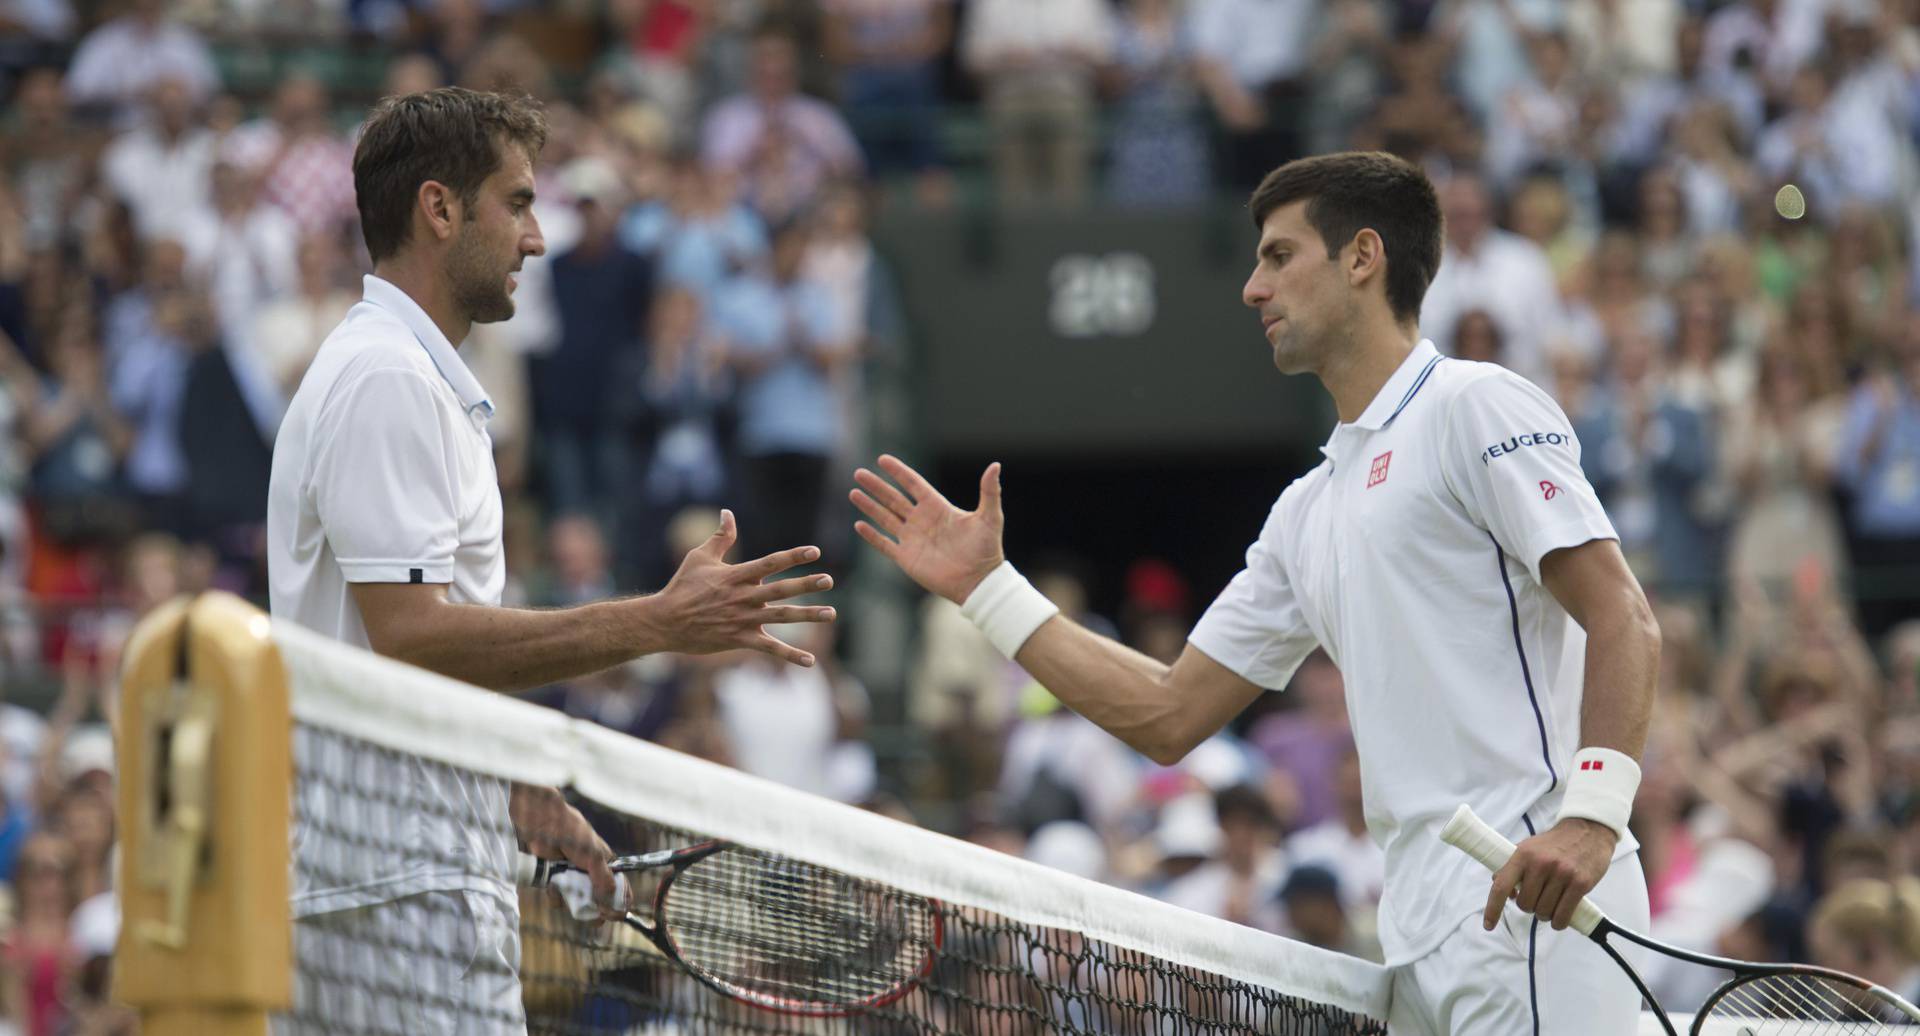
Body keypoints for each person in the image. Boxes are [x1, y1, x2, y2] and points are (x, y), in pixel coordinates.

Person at [850, 150, 1661, 1034]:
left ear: (1361, 258)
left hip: (1536, 905)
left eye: (1279, 256)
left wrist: (1591, 819)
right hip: (1418, 935)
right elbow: (1168, 713)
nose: (1251, 288)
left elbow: (1622, 614)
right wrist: (988, 589)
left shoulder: (1476, 405)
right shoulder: (1302, 512)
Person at [265, 87, 836, 1035]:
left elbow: (404, 663)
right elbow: (410, 639)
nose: (537, 238)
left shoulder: (405, 374)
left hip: (387, 882)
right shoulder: (387, 378)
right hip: (401, 896)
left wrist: (516, 789)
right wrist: (660, 622)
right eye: (518, 202)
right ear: (440, 210)